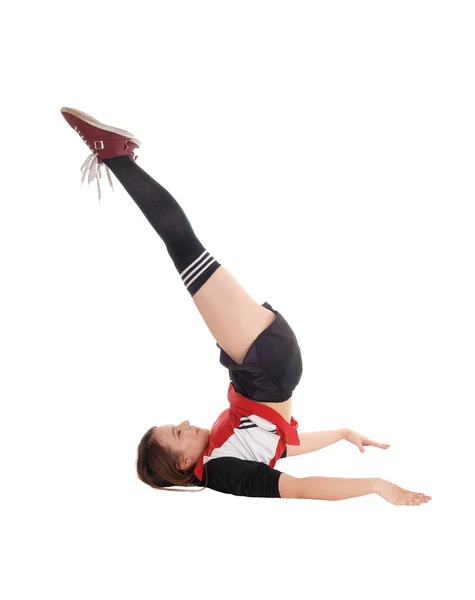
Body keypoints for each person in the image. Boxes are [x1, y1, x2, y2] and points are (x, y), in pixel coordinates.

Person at [60, 107, 432, 507]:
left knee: (186, 252)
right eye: (178, 432)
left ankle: (117, 155)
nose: (185, 423)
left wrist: (342, 433)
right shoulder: (221, 472)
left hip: (267, 366)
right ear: (183, 461)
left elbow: (281, 446)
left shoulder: (224, 453)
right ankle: (113, 154)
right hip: (263, 368)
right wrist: (376, 485)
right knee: (184, 249)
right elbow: (302, 488)